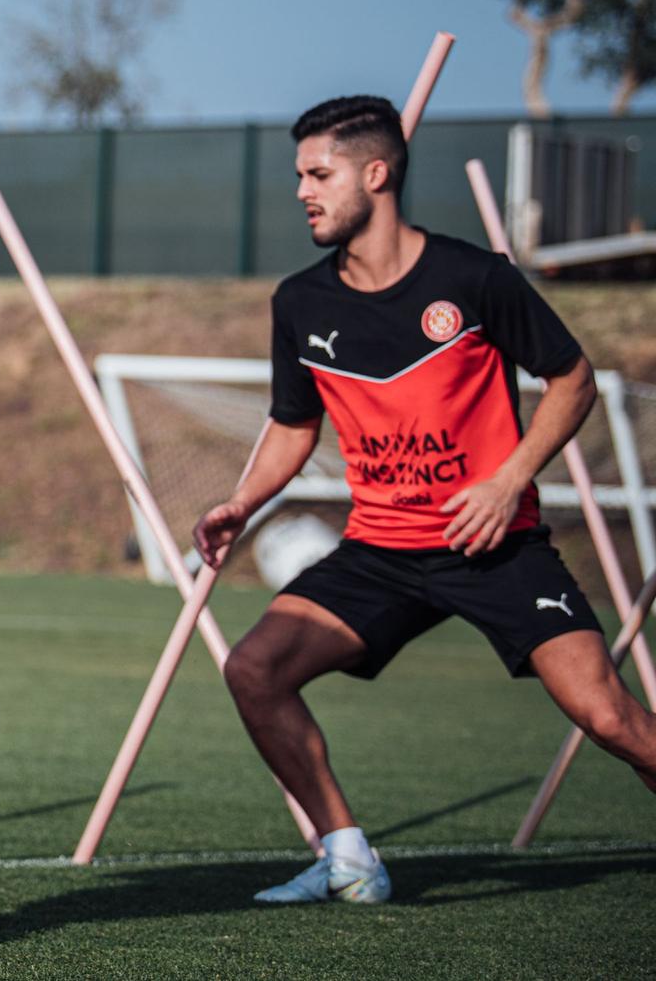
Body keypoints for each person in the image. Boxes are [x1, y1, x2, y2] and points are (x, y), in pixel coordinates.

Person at [193, 95, 656, 905]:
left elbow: (571, 379)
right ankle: (348, 858)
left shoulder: (473, 277)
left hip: (494, 544)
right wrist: (244, 501)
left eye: (319, 173)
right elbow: (293, 425)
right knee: (255, 668)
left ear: (377, 173)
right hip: (378, 550)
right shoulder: (301, 302)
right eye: (298, 174)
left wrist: (508, 477)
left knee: (609, 716)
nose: (302, 189)